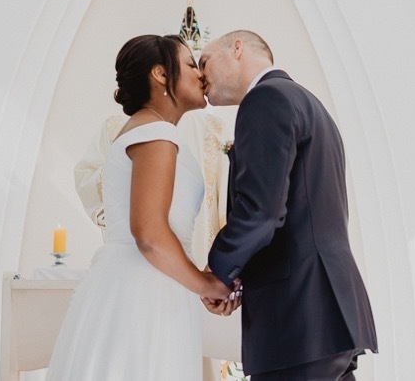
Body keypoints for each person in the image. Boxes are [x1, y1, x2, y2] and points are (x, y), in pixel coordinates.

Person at [45, 34, 237, 381]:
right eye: (191, 65)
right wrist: (206, 285)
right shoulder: (156, 134)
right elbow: (149, 233)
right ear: (161, 74)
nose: (200, 75)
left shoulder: (150, 130)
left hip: (145, 285)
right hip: (143, 294)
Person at [199, 30, 378, 381]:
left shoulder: (265, 100)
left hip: (297, 317)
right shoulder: (309, 104)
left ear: (237, 49)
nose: (200, 76)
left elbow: (262, 213)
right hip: (329, 314)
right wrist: (240, 277)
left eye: (204, 62)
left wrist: (218, 270)